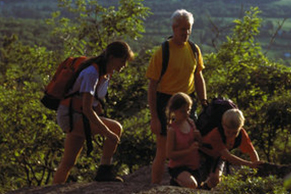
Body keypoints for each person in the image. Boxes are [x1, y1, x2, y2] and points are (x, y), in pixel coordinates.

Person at [52, 41, 134, 184]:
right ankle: (104, 171)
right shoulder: (92, 73)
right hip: (72, 116)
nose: (124, 65)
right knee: (116, 128)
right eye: (122, 61)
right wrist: (107, 132)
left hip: (75, 114)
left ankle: (53, 189)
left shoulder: (105, 74)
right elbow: (87, 108)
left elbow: (94, 103)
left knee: (68, 163)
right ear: (111, 57)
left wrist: (101, 120)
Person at [146, 9, 208, 184]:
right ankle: (155, 187)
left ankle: (184, 181)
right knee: (163, 149)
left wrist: (204, 102)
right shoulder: (162, 52)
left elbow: (198, 77)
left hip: (188, 102)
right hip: (166, 103)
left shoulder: (194, 50)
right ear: (174, 28)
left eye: (189, 29)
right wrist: (154, 118)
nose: (186, 33)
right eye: (182, 29)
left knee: (191, 145)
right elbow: (152, 86)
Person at [199, 108, 262, 189]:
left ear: (240, 128)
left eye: (235, 132)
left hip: (218, 156)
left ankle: (201, 189)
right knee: (198, 177)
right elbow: (228, 156)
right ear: (223, 125)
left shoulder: (242, 134)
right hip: (202, 153)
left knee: (215, 180)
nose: (231, 135)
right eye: (228, 131)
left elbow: (252, 152)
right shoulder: (216, 134)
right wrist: (250, 164)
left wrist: (256, 168)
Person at [165, 92, 202, 188]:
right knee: (191, 184)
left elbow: (199, 144)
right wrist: (188, 150)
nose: (186, 114)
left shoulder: (191, 123)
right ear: (174, 111)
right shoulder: (172, 130)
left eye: (188, 110)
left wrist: (199, 138)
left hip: (194, 166)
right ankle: (175, 181)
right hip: (179, 167)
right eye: (182, 111)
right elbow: (169, 154)